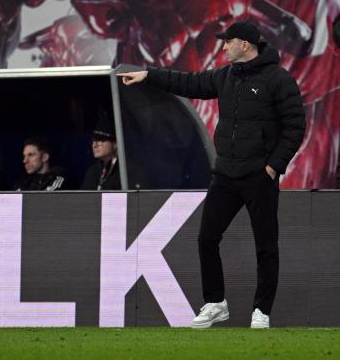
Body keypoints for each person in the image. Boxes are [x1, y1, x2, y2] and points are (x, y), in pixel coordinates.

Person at [118, 20, 305, 329]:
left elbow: (296, 127)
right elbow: (187, 82)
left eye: (227, 42)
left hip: (260, 176)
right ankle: (216, 303)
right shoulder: (225, 77)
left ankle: (262, 311)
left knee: (266, 245)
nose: (222, 47)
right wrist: (148, 76)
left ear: (244, 45)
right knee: (207, 238)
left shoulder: (278, 80)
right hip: (226, 174)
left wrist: (273, 166)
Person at [80, 119, 121, 190]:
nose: (94, 145)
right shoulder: (92, 171)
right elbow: (83, 198)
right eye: (93, 141)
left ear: (115, 144)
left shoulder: (126, 170)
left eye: (101, 140)